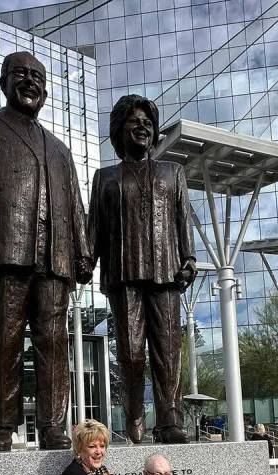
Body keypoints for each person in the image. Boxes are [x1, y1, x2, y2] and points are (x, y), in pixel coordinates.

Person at [0, 51, 92, 453]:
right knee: (6, 341)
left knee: (53, 342)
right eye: (21, 74)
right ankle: (3, 426)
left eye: (37, 76)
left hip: (55, 258)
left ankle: (52, 426)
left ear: (46, 91)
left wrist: (83, 253)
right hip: (6, 248)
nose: (30, 81)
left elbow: (75, 204)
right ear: (3, 81)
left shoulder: (60, 149)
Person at [88, 95, 196, 444]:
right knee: (131, 354)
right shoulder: (105, 177)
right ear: (119, 131)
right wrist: (84, 260)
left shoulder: (172, 172)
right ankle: (134, 419)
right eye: (134, 122)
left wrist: (189, 259)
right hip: (123, 275)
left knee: (167, 351)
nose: (142, 127)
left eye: (148, 123)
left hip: (166, 274)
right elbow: (94, 230)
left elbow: (183, 221)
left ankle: (169, 421)